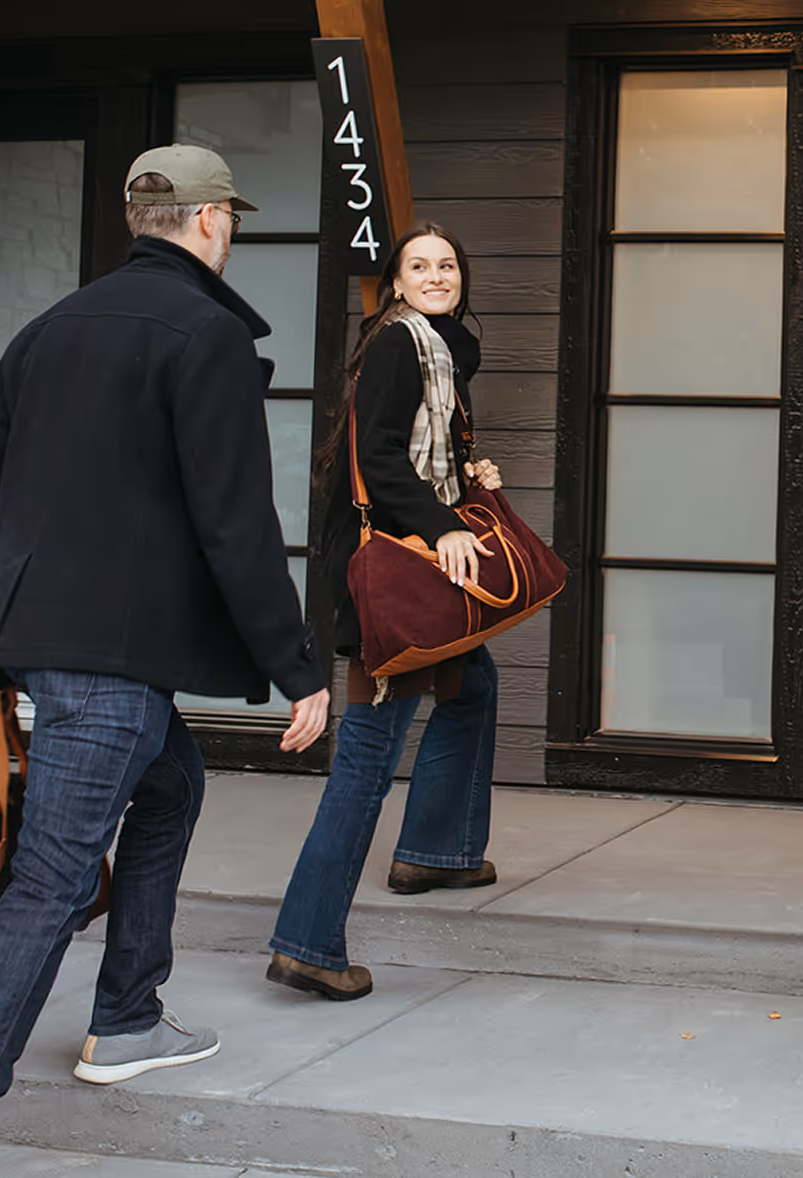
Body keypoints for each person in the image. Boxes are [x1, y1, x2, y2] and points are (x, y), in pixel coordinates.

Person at [0, 144, 330, 1178]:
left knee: (172, 786)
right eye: (231, 219)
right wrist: (298, 664)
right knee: (50, 880)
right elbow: (236, 520)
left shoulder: (44, 331)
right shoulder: (205, 332)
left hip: (47, 639)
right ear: (211, 222)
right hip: (110, 663)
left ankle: (125, 1015)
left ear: (139, 220)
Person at [266, 223, 502, 1003]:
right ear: (396, 284)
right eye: (419, 266)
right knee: (368, 754)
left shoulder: (438, 351)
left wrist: (471, 476)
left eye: (448, 265)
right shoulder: (399, 345)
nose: (436, 276)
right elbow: (380, 463)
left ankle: (436, 848)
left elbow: (417, 453)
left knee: (476, 683)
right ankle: (307, 942)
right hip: (391, 580)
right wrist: (442, 525)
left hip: (415, 565)